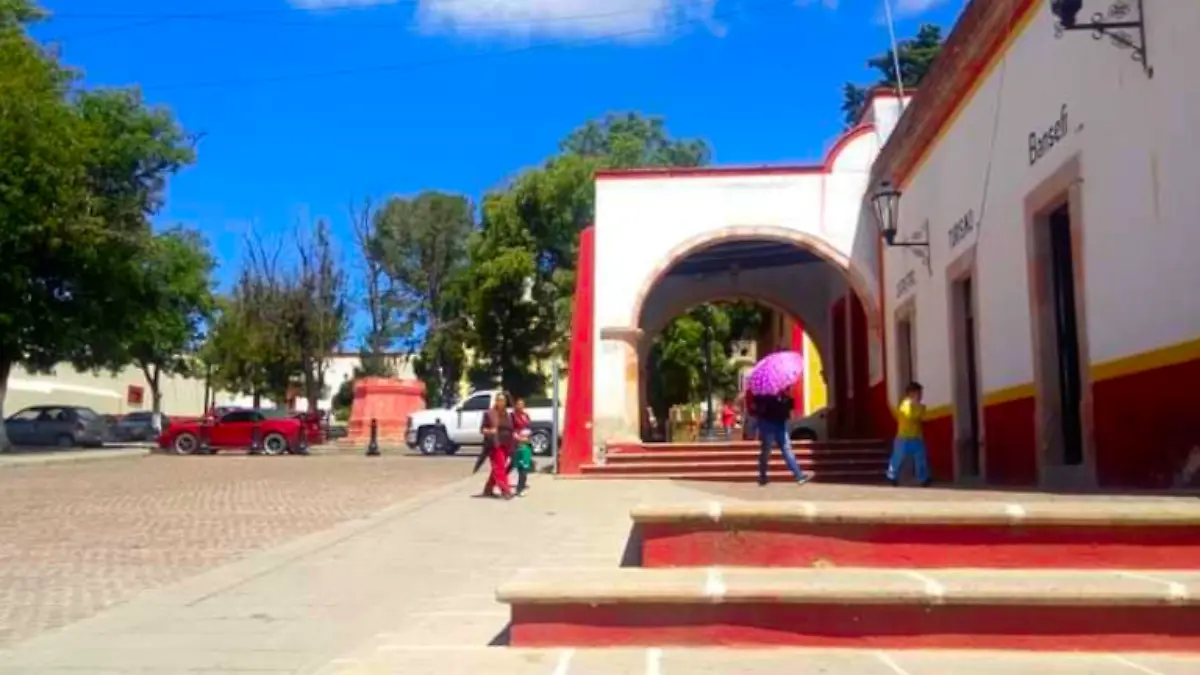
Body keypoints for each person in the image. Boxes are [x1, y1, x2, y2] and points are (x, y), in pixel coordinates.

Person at [753, 387, 810, 487]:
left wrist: (786, 402)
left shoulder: (785, 397)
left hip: (780, 425)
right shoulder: (763, 395)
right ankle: (763, 476)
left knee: (785, 449)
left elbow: (789, 414)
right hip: (768, 424)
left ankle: (799, 476)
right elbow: (757, 409)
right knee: (767, 450)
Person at [888, 382, 931, 487]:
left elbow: (923, 415)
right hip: (903, 437)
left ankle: (923, 478)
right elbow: (909, 416)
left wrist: (919, 408)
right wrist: (917, 408)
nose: (920, 395)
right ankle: (892, 476)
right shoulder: (905, 404)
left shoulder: (920, 406)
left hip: (916, 437)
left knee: (921, 458)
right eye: (918, 393)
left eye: (921, 393)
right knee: (897, 458)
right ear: (911, 393)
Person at [480, 393, 515, 499]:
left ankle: (488, 489)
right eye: (499, 400)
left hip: (506, 444)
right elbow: (482, 429)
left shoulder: (507, 414)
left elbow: (511, 429)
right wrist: (491, 430)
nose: (501, 402)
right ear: (495, 401)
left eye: (503, 400)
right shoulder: (489, 414)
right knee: (500, 468)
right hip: (494, 444)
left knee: (498, 467)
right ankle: (506, 490)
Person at [510, 397, 534, 497]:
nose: (521, 406)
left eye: (522, 404)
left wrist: (528, 436)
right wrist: (518, 438)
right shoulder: (512, 416)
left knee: (525, 466)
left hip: (527, 444)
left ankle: (521, 487)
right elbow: (511, 430)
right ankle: (519, 487)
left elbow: (530, 427)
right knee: (519, 466)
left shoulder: (526, 415)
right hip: (518, 444)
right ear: (516, 405)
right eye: (519, 404)